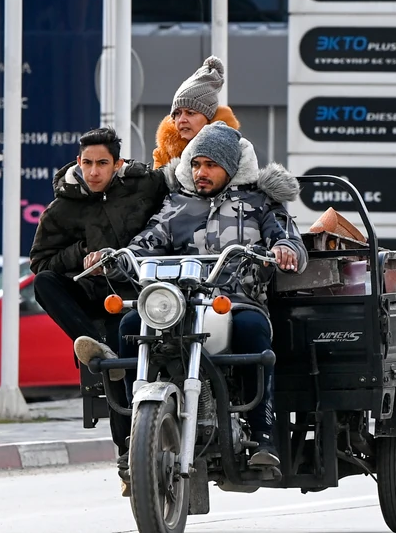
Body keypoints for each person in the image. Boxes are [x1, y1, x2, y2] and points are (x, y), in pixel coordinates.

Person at [78, 121, 308, 467]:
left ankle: (264, 436)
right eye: (196, 164)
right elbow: (145, 244)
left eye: (211, 165)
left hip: (235, 302)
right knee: (129, 326)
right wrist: (112, 260)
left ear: (230, 167)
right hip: (177, 304)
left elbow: (290, 241)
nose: (201, 172)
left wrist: (285, 250)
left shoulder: (260, 202)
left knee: (253, 331)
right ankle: (131, 436)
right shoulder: (177, 204)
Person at [29, 126, 174, 478]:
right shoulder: (62, 207)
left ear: (117, 164)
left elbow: (179, 202)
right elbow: (41, 262)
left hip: (133, 297)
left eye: (102, 164)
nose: (93, 172)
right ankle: (96, 345)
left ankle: (128, 452)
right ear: (78, 162)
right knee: (44, 284)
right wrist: (81, 254)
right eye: (87, 163)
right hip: (90, 298)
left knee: (121, 361)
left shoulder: (145, 186)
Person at [151, 55, 242, 169]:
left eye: (190, 113)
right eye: (177, 113)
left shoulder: (235, 151)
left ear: (209, 117)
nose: (182, 120)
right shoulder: (163, 154)